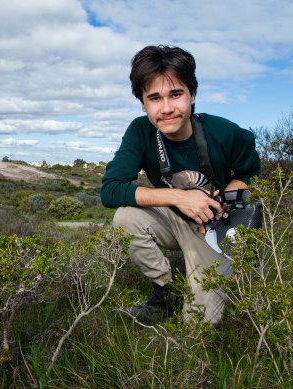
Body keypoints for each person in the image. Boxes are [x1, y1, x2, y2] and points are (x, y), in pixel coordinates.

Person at [100, 45, 260, 326]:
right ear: (143, 104)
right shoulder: (140, 131)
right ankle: (165, 292)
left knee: (197, 327)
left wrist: (224, 207)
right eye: (154, 98)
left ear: (192, 95)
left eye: (176, 94)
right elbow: (110, 189)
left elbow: (250, 171)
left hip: (213, 229)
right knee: (125, 217)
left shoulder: (225, 132)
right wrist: (178, 198)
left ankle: (214, 276)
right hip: (173, 219)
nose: (167, 108)